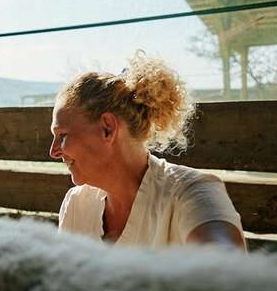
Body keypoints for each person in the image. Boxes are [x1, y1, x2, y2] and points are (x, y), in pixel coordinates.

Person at [50, 51, 245, 250]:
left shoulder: (192, 193)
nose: (53, 151)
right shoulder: (77, 204)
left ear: (107, 128)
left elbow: (227, 265)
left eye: (63, 136)